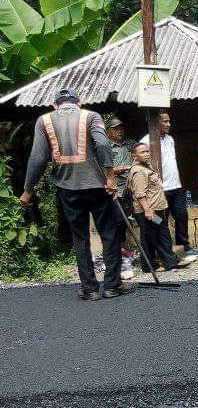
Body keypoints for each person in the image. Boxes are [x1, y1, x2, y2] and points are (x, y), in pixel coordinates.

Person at [19, 87, 131, 300]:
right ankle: (111, 286)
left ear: (55, 105)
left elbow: (37, 158)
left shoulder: (44, 121)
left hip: (67, 188)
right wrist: (110, 176)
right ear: (78, 102)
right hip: (97, 186)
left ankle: (89, 289)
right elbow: (103, 144)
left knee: (80, 237)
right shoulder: (92, 116)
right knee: (109, 234)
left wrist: (28, 190)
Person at [139, 111, 198, 258]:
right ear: (155, 123)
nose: (168, 124)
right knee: (161, 220)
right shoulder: (146, 141)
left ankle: (184, 245)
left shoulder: (170, 139)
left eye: (169, 121)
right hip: (159, 189)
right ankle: (165, 250)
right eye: (165, 122)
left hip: (176, 186)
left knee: (181, 216)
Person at [127, 142, 186, 272]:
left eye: (147, 151)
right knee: (149, 238)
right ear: (134, 156)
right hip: (148, 211)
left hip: (157, 209)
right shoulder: (138, 171)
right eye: (142, 152)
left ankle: (170, 262)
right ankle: (149, 266)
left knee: (161, 233)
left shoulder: (146, 167)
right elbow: (139, 193)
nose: (146, 154)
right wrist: (147, 210)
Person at [106, 116, 137, 280]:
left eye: (121, 128)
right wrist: (125, 167)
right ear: (108, 132)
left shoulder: (131, 144)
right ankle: (118, 250)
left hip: (132, 189)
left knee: (132, 219)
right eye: (115, 129)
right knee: (118, 221)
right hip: (116, 190)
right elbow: (105, 170)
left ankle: (128, 251)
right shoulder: (106, 148)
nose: (119, 131)